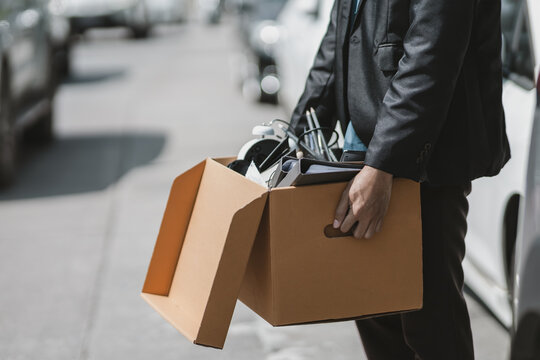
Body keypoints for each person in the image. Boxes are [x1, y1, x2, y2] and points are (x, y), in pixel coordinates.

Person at [289, 0, 511, 358]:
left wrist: (383, 165)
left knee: (430, 323)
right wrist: (292, 138)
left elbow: (432, 54)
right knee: (374, 313)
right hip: (362, 154)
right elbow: (337, 45)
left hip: (425, 162)